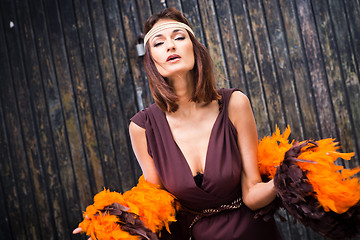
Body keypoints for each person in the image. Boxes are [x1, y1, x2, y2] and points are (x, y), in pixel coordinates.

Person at [75, 7, 282, 240]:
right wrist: (112, 223)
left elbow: (253, 194)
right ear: (151, 60)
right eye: (159, 43)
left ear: (194, 48)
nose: (170, 46)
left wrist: (287, 177)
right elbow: (158, 205)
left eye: (179, 37)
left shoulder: (234, 104)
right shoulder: (142, 128)